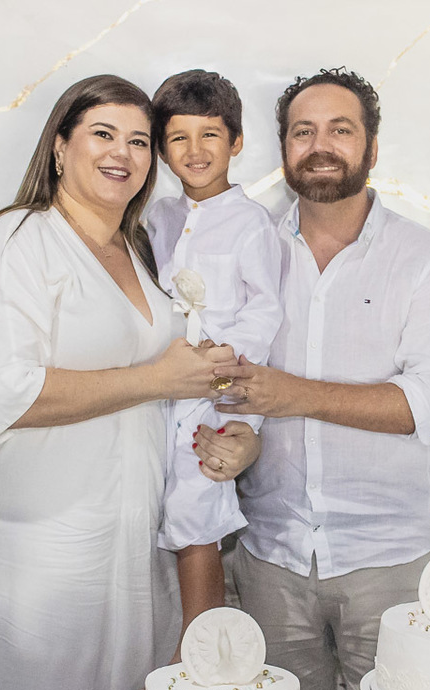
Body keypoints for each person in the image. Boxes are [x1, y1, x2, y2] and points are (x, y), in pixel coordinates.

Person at [0, 74, 257, 690]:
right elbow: (6, 391)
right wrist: (155, 379)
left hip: (138, 539)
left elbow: (175, 382)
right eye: (103, 134)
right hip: (47, 539)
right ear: (60, 147)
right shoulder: (18, 239)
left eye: (140, 141)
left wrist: (228, 424)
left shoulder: (138, 249)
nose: (123, 153)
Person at [215, 67, 430, 690]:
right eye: (303, 131)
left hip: (388, 563)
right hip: (270, 559)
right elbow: (226, 384)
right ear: (284, 150)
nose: (320, 145)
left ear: (372, 148)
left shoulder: (426, 259)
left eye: (340, 130)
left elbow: (428, 403)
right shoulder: (248, 250)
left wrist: (292, 394)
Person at [143, 69, 283, 659]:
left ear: (236, 141)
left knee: (196, 517)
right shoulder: (157, 217)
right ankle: (152, 650)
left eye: (210, 135)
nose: (195, 151)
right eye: (179, 138)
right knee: (152, 513)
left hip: (215, 393)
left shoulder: (251, 223)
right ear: (161, 148)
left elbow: (265, 309)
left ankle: (196, 657)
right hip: (157, 388)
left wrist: (223, 367)